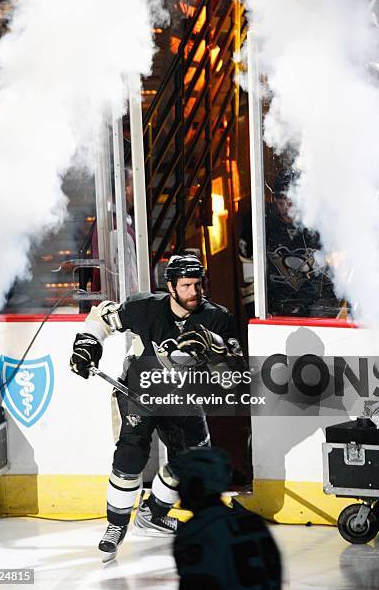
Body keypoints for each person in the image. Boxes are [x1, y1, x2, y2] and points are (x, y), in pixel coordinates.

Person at [70, 254, 244, 563]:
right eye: (187, 285)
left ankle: (152, 514)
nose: (195, 292)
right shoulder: (144, 308)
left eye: (198, 284)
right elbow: (100, 319)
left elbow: (232, 377)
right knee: (131, 452)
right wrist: (87, 346)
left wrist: (215, 348)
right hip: (139, 394)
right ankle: (115, 526)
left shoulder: (217, 318)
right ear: (171, 286)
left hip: (183, 399)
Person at [172, 447, 282, 590]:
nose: (179, 488)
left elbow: (197, 583)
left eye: (183, 480)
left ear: (197, 485)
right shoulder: (253, 521)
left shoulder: (195, 532)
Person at [240, 174, 338, 317]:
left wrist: (327, 308)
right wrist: (256, 312)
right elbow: (249, 274)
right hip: (276, 309)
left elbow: (334, 274)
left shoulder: (319, 225)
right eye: (281, 203)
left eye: (291, 203)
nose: (286, 209)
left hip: (315, 307)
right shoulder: (260, 225)